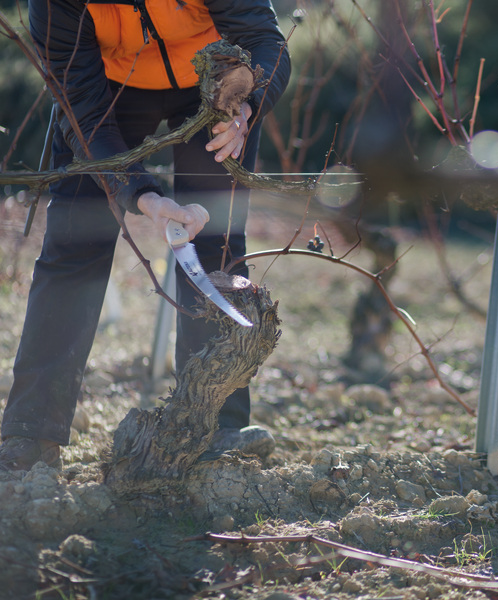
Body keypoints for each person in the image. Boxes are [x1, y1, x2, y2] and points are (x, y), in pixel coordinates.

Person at [0, 0, 291, 471]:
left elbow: (267, 42)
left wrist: (247, 103)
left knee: (215, 245)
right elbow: (84, 111)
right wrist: (142, 196)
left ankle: (218, 425)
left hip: (213, 87)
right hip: (107, 92)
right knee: (74, 244)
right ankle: (31, 430)